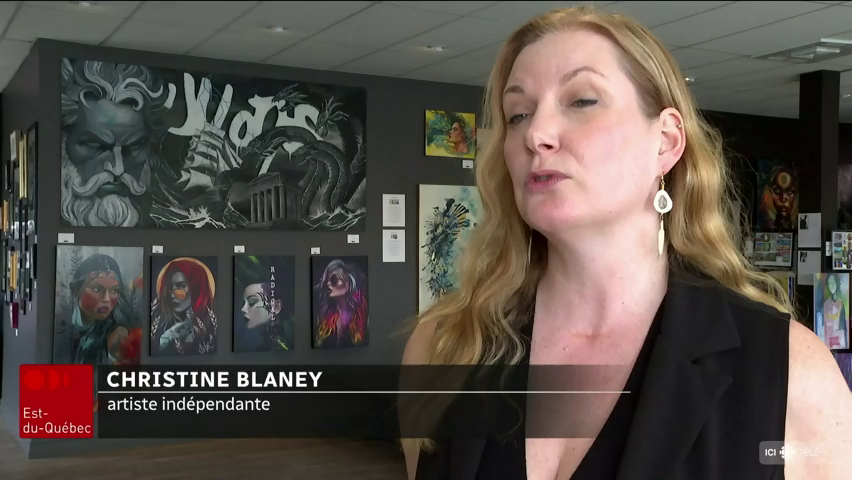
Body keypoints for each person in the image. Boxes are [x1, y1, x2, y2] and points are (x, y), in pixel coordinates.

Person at [401, 6, 852, 480]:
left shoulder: (789, 374)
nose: (536, 134)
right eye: (518, 114)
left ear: (665, 142)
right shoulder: (445, 348)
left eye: (582, 101)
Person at [150, 258, 218, 355]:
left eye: (180, 286)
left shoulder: (212, 329)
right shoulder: (160, 326)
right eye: (170, 288)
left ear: (196, 288)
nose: (172, 295)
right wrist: (164, 340)